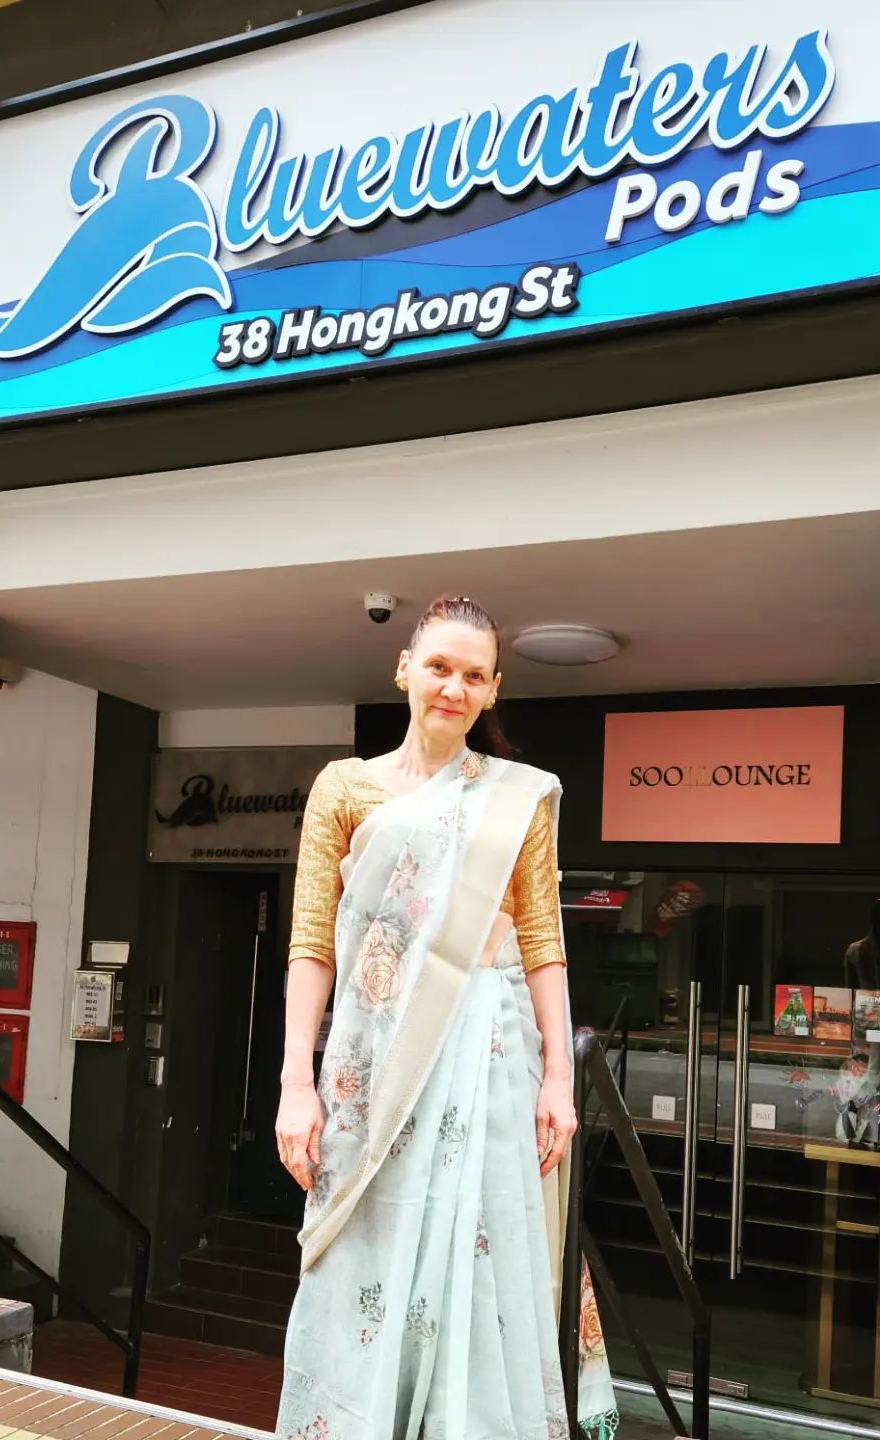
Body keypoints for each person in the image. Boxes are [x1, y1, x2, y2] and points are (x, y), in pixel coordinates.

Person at [274, 596, 619, 1440]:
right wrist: (295, 1083)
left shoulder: (517, 800)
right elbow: (312, 943)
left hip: (489, 1052)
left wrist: (559, 1077)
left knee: (479, 1253)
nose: (453, 688)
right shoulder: (344, 788)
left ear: (493, 689)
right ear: (404, 671)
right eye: (439, 668)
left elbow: (543, 940)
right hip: (375, 1062)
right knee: (367, 1243)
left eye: (473, 675)